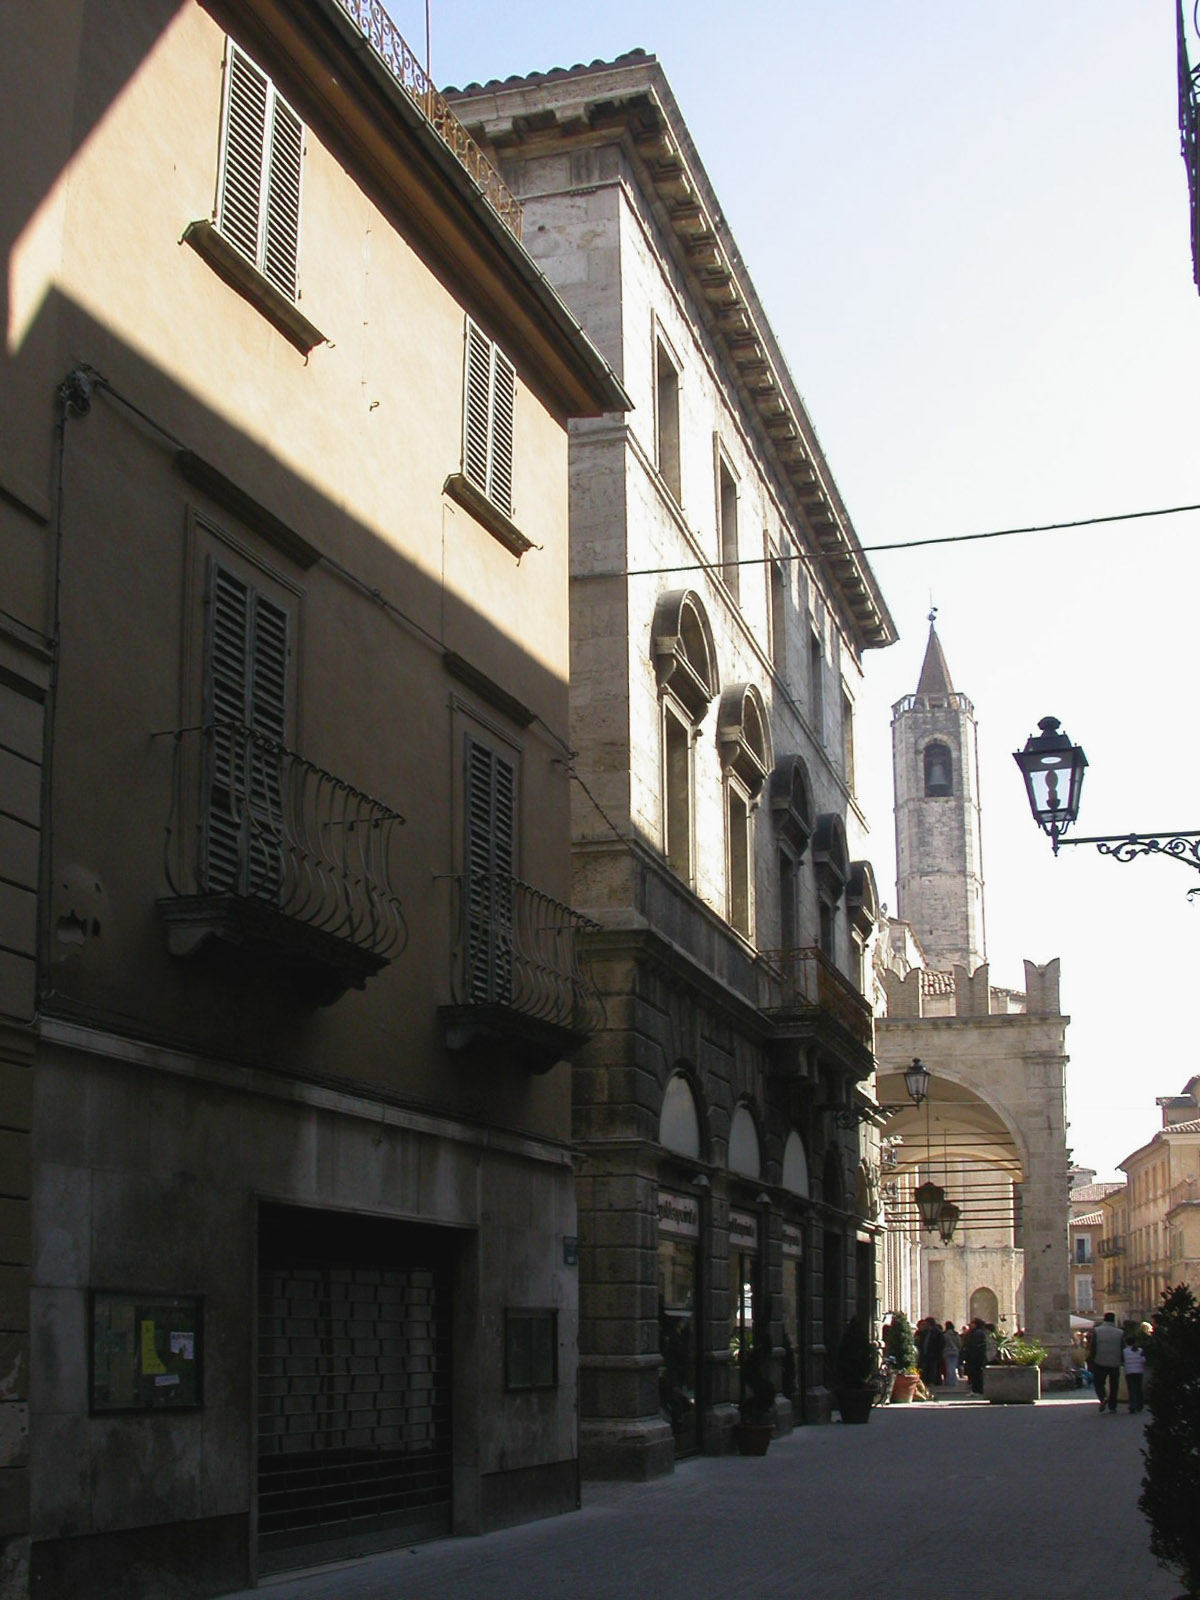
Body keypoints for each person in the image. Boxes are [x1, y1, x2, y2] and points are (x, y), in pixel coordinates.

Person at [1089, 1312, 1124, 1413]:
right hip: (1115, 1362)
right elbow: (1122, 1347)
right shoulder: (1120, 1332)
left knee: (1098, 1382)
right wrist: (1122, 1360)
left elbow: (1093, 1346)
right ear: (1114, 1320)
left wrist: (1092, 1358)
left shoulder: (1097, 1330)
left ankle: (1103, 1397)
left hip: (1100, 1361)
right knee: (1114, 1385)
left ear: (1104, 1319)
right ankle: (1113, 1406)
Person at [964, 1317, 988, 1395]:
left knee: (976, 1374)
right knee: (975, 1374)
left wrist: (971, 1354)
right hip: (976, 1356)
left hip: (976, 1357)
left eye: (972, 1323)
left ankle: (977, 1390)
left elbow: (975, 1345)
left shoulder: (977, 1333)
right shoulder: (977, 1332)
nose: (971, 1325)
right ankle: (976, 1390)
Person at [1123, 1335, 1146, 1414]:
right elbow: (1143, 1360)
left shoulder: (1124, 1351)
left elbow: (1123, 1361)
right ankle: (1140, 1405)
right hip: (1139, 1371)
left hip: (1129, 1372)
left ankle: (1132, 1405)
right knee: (1138, 1388)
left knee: (1131, 1389)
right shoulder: (1140, 1350)